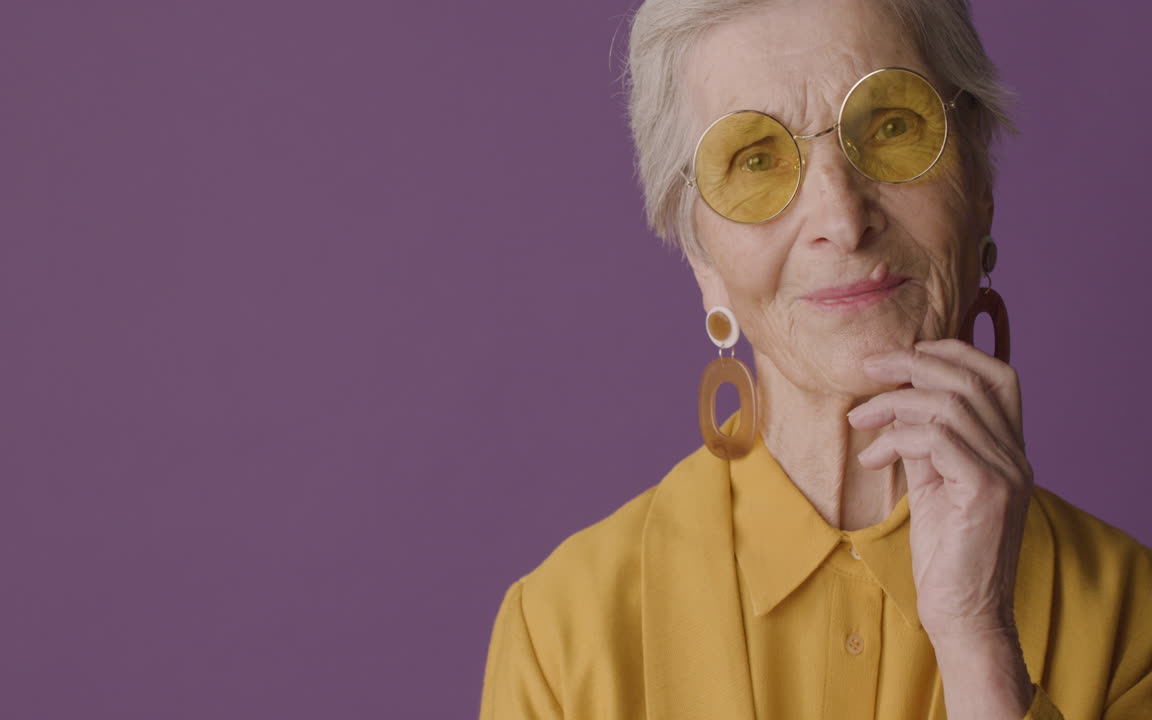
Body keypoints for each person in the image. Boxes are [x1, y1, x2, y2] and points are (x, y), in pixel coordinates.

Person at [477, 0, 1152, 718]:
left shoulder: (1131, 620)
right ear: (700, 254)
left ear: (980, 183)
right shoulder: (560, 637)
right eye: (756, 159)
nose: (841, 218)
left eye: (892, 125)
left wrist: (979, 640)